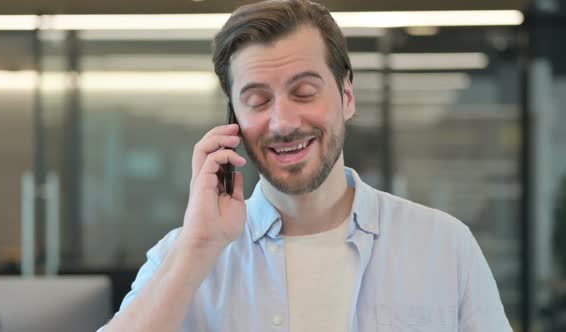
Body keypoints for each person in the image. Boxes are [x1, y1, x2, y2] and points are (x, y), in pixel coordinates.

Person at [101, 0, 512, 331]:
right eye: (258, 101)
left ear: (346, 96)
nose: (283, 122)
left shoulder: (443, 246)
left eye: (304, 92)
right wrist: (198, 248)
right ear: (233, 121)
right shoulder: (184, 254)